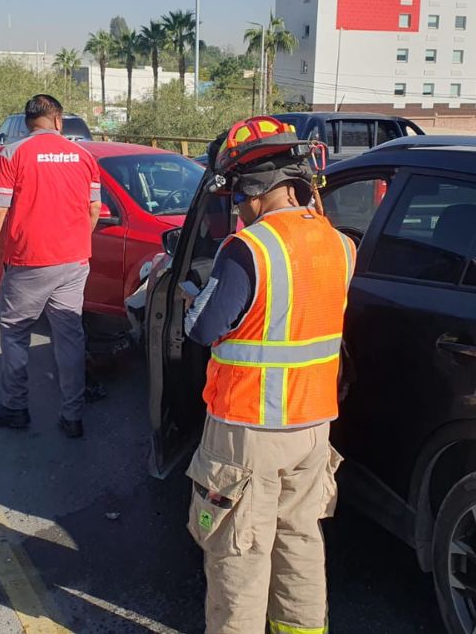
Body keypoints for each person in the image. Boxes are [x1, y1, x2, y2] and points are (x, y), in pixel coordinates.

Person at [183, 116, 355, 634]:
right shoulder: (341, 246)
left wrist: (194, 294)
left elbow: (203, 329)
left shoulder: (250, 248)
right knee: (301, 543)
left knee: (239, 556)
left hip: (247, 433)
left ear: (254, 191)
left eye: (237, 196)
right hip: (313, 429)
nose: (237, 207)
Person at [0, 94, 101, 439]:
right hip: (74, 261)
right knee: (69, 335)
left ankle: (15, 408)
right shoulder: (84, 156)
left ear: (28, 123)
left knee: (16, 332)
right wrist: (76, 240)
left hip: (30, 261)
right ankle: (72, 415)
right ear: (58, 121)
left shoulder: (13, 154)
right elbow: (93, 209)